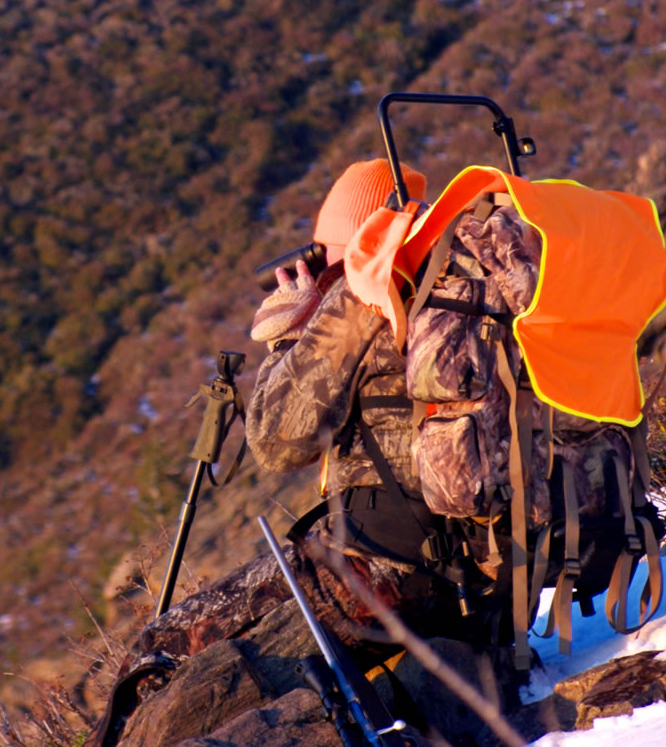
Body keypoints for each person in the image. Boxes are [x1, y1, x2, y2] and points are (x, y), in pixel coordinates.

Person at [93, 160, 503, 747]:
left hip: (387, 573)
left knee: (154, 652)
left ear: (349, 243)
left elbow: (276, 442)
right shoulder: (460, 278)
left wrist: (290, 335)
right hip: (485, 565)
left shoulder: (364, 299)